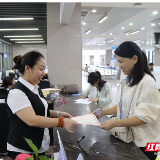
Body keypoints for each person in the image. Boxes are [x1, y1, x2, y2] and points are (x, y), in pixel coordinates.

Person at [92, 41, 160, 160]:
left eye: (121, 61)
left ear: (134, 59)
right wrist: (103, 112)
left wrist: (114, 123)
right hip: (130, 138)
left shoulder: (147, 83)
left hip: (149, 142)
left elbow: (144, 117)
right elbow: (123, 105)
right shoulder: (129, 80)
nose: (119, 66)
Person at [6, 51, 77, 157]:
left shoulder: (35, 87)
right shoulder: (17, 92)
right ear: (27, 69)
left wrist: (58, 114)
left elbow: (40, 110)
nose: (44, 73)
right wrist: (61, 122)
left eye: (44, 69)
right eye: (41, 69)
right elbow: (32, 119)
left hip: (38, 145)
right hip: (23, 150)